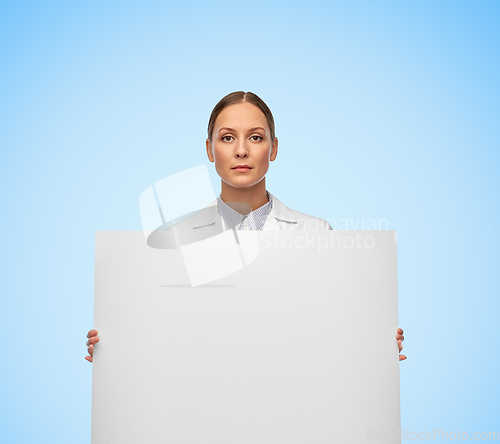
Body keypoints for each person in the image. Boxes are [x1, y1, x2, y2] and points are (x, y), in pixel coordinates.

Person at [85, 91, 406, 362]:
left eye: (255, 137)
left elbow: (332, 327)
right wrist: (114, 348)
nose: (241, 150)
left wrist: (375, 346)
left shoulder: (317, 234)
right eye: (227, 138)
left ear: (274, 148)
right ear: (210, 149)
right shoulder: (174, 240)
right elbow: (161, 330)